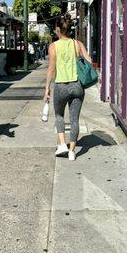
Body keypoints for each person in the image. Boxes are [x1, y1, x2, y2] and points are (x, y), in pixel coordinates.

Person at [44, 14, 92, 161]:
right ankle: (72, 152)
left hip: (61, 86)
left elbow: (51, 69)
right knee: (74, 119)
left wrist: (47, 89)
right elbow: (89, 61)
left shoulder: (53, 46)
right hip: (77, 86)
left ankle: (62, 144)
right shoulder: (77, 44)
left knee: (59, 115)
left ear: (58, 29)